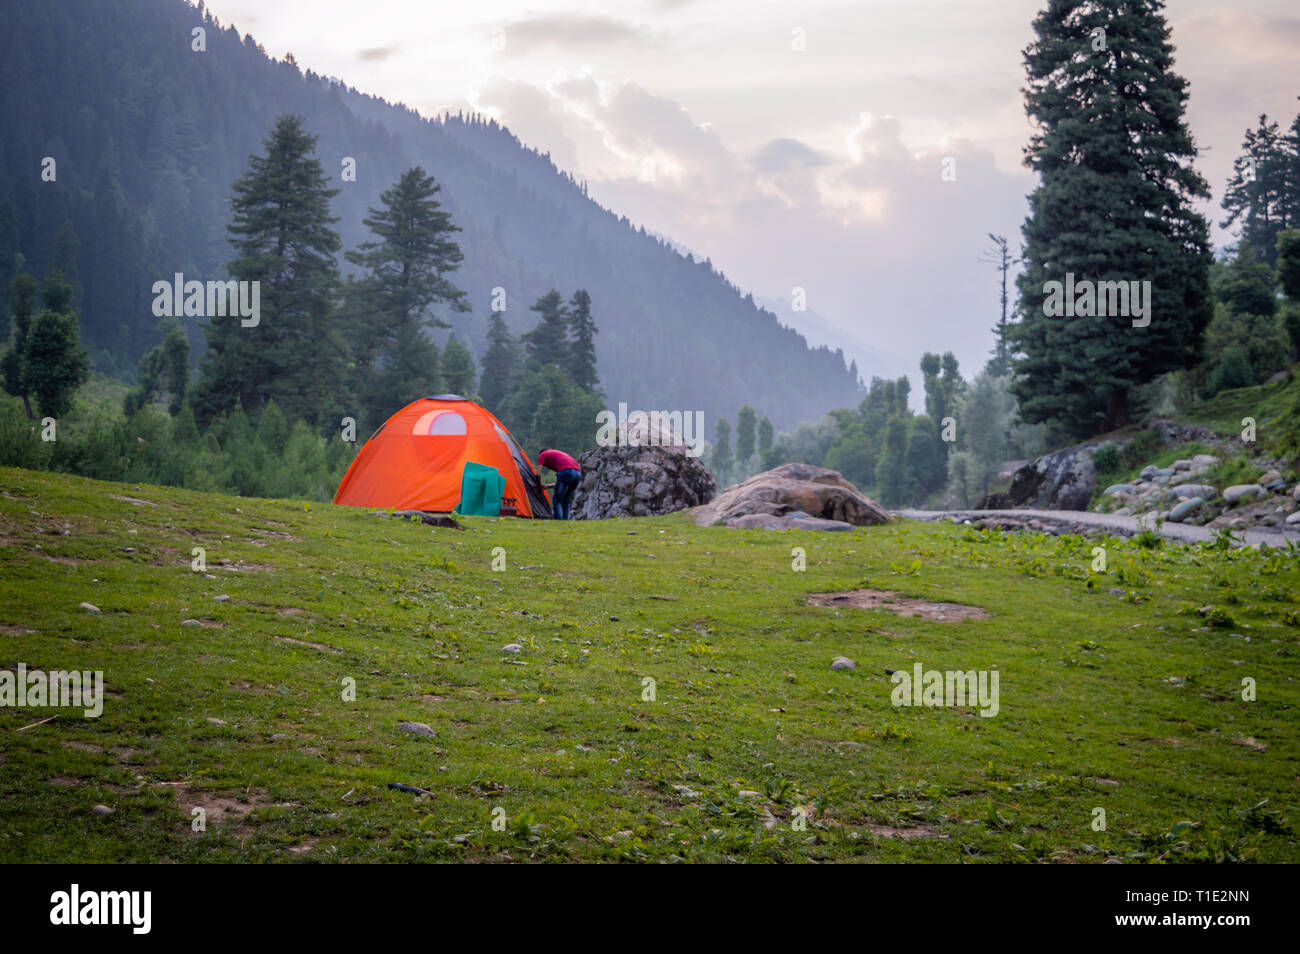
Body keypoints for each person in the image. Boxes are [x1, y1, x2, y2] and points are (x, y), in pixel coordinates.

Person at [537, 448, 582, 520]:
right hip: (578, 473)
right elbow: (561, 483)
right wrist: (546, 486)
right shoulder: (558, 455)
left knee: (557, 500)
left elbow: (538, 474)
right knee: (566, 499)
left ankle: (559, 520)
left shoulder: (542, 454)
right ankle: (565, 520)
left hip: (566, 472)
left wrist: (539, 485)